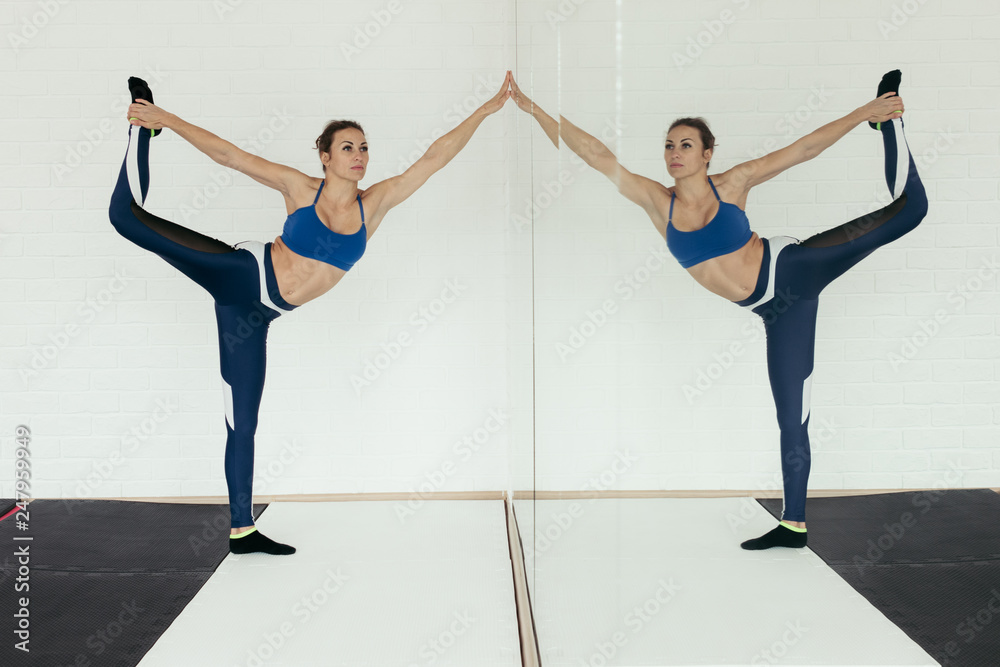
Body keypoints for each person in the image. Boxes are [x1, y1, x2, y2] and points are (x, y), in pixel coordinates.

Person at [512, 70, 927, 549]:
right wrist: (533, 108)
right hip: (775, 311)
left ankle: (888, 121)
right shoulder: (656, 201)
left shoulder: (733, 184)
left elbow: (803, 149)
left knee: (911, 209)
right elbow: (594, 154)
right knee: (792, 417)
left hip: (792, 269)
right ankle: (794, 527)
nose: (674, 154)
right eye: (669, 145)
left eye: (686, 145)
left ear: (707, 154)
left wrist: (863, 115)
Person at [111, 73, 513, 555]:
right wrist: (167, 120)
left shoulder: (375, 205)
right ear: (325, 157)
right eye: (347, 147)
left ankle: (242, 531)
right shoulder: (301, 189)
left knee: (243, 422)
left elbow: (434, 158)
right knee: (124, 216)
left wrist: (488, 109)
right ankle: (143, 127)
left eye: (363, 147)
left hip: (259, 316)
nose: (359, 155)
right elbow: (230, 155)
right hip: (241, 274)